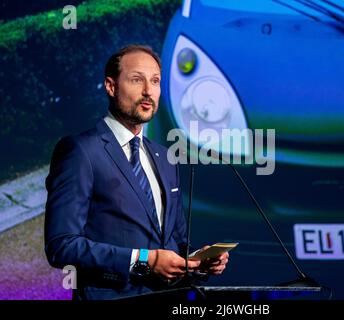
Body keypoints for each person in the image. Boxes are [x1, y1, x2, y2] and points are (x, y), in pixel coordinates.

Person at [44, 44, 229, 300]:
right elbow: (61, 245)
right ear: (110, 86)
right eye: (136, 80)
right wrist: (144, 261)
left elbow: (174, 244)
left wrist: (198, 262)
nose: (147, 91)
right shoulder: (80, 150)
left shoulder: (165, 158)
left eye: (155, 81)